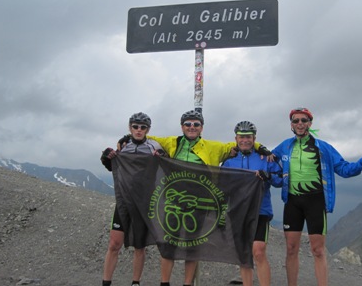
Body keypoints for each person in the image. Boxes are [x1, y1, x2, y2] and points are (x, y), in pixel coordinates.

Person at [143, 110, 270, 286]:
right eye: (188, 124)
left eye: (196, 124)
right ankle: (164, 283)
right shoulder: (172, 142)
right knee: (168, 244)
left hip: (199, 202)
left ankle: (187, 284)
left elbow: (243, 143)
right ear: (182, 127)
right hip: (174, 201)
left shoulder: (213, 147)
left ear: (202, 127)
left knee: (192, 246)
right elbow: (147, 137)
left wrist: (260, 147)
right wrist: (125, 139)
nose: (192, 127)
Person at [271, 107, 362, 286]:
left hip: (316, 201)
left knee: (318, 250)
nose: (299, 124)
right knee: (290, 249)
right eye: (295, 121)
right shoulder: (284, 146)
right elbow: (269, 161)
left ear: (310, 123)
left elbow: (343, 169)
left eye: (303, 120)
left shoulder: (324, 148)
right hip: (292, 201)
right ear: (291, 124)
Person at [100, 112, 164, 286]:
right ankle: (106, 282)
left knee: (139, 245)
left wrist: (162, 158)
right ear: (130, 127)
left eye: (143, 127)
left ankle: (135, 282)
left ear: (148, 130)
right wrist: (106, 157)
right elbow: (113, 167)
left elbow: (164, 169)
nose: (139, 130)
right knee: (114, 243)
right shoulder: (123, 146)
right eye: (135, 127)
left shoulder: (154, 146)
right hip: (125, 201)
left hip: (144, 202)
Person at [221, 121, 283, 286]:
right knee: (244, 254)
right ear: (236, 138)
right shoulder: (229, 161)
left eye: (248, 137)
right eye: (241, 137)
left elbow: (280, 180)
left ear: (254, 138)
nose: (245, 140)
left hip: (260, 210)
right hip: (238, 211)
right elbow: (223, 185)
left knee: (258, 251)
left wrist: (268, 176)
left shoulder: (265, 158)